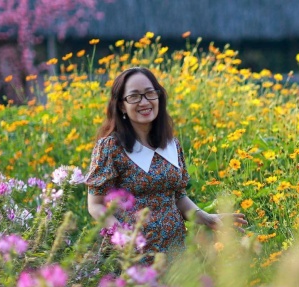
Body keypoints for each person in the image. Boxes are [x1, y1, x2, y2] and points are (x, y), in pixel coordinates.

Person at [85, 67, 246, 260]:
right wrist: (120, 235)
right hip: (131, 255)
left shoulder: (171, 144)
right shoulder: (110, 147)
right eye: (134, 96)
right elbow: (95, 204)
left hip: (174, 252)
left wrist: (208, 218)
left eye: (150, 93)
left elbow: (178, 197)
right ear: (121, 106)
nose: (144, 102)